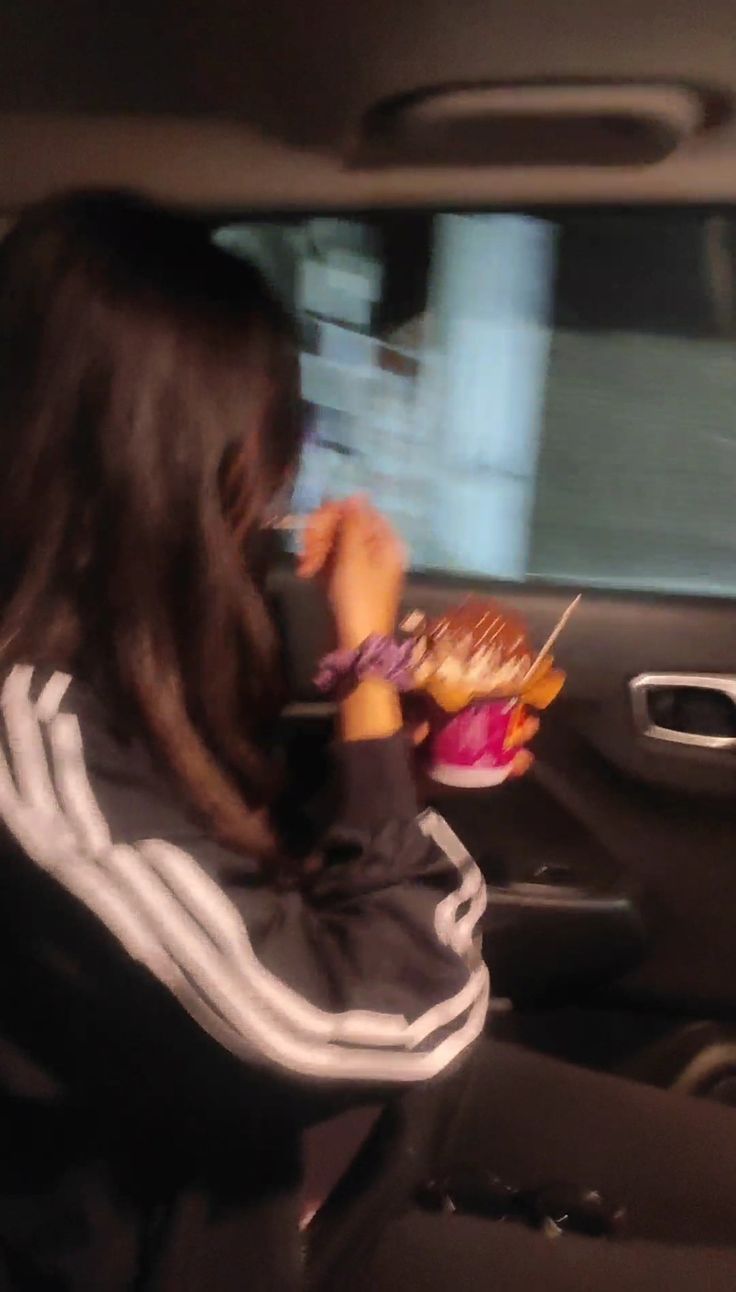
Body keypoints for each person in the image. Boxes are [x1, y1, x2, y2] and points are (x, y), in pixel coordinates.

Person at [0, 191, 734, 1292]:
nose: (276, 486)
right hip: (232, 1228)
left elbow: (235, 862)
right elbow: (382, 1017)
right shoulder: (34, 744)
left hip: (318, 1136)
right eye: (252, 442)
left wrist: (388, 740)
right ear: (152, 457)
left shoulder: (123, 657)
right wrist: (370, 675)